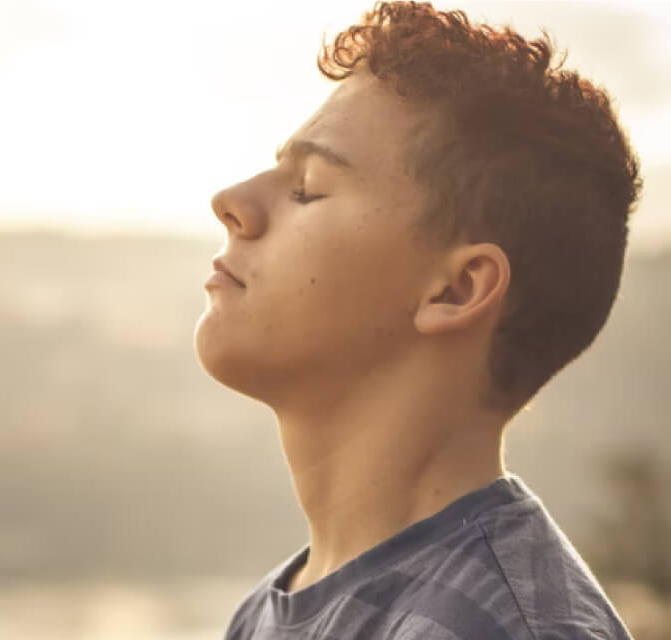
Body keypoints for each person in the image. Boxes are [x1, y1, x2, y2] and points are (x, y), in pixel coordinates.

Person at [192, 2, 642, 638]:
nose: (231, 202)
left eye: (308, 187)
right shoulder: (267, 614)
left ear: (457, 290)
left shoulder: (504, 628)